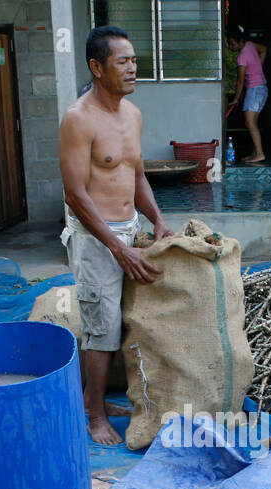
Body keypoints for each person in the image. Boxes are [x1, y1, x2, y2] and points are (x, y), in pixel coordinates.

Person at [59, 25, 174, 446]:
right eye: (122, 61)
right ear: (96, 67)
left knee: (128, 321)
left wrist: (157, 221)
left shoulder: (133, 115)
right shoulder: (78, 119)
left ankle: (104, 398)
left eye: (134, 60)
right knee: (100, 328)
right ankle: (94, 414)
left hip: (130, 230)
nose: (132, 69)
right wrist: (116, 247)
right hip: (95, 238)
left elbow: (135, 174)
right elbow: (74, 194)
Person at [227, 28, 268, 165]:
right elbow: (264, 50)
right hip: (261, 88)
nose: (230, 46)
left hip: (255, 90)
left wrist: (236, 99)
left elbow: (240, 81)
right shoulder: (250, 45)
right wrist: (257, 68)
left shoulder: (241, 57)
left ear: (240, 41)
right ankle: (255, 153)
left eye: (232, 44)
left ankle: (260, 153)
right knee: (252, 123)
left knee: (250, 123)